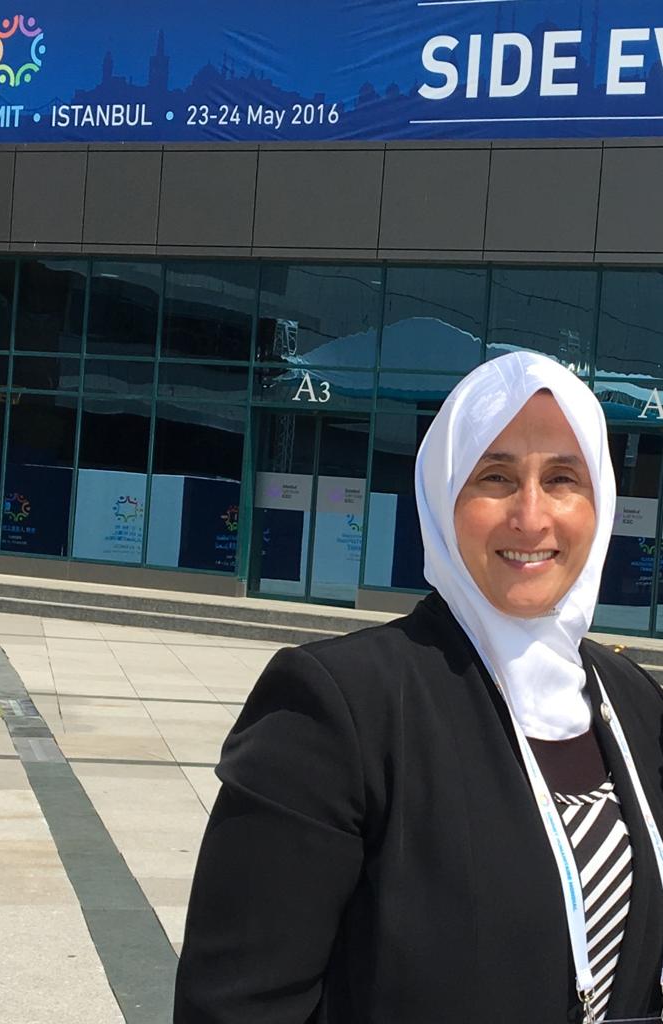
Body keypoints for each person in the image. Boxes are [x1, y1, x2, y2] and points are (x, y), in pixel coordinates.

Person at [174, 350, 663, 1024]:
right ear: (443, 497)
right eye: (494, 476)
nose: (531, 515)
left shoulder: (634, 705)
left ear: (600, 501)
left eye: (562, 478)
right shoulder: (340, 705)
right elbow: (237, 1006)